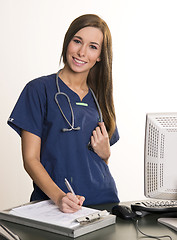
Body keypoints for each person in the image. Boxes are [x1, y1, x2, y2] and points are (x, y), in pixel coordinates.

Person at [7, 14, 120, 213]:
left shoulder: (99, 97)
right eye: (77, 41)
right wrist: (59, 197)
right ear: (67, 42)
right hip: (54, 206)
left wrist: (106, 155)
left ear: (100, 55)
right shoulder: (38, 90)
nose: (82, 52)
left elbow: (95, 159)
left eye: (93, 46)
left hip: (105, 203)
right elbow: (30, 159)